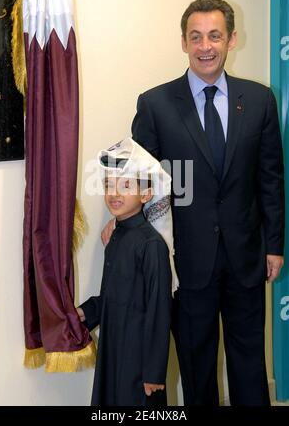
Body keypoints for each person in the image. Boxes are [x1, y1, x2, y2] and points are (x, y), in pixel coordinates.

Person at [103, 0, 285, 406]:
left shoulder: (259, 100)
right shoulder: (155, 104)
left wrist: (274, 245)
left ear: (231, 39)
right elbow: (138, 174)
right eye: (196, 36)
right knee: (196, 369)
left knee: (249, 364)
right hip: (185, 262)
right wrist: (120, 219)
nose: (206, 46)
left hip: (246, 258)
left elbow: (270, 178)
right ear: (184, 42)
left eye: (215, 35)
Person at [77, 138, 172, 406]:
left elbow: (159, 310)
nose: (114, 193)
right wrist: (82, 313)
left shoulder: (152, 245)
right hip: (113, 346)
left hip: (139, 360)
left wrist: (154, 371)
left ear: (146, 194)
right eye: (109, 184)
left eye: (126, 185)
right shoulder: (115, 237)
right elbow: (110, 296)